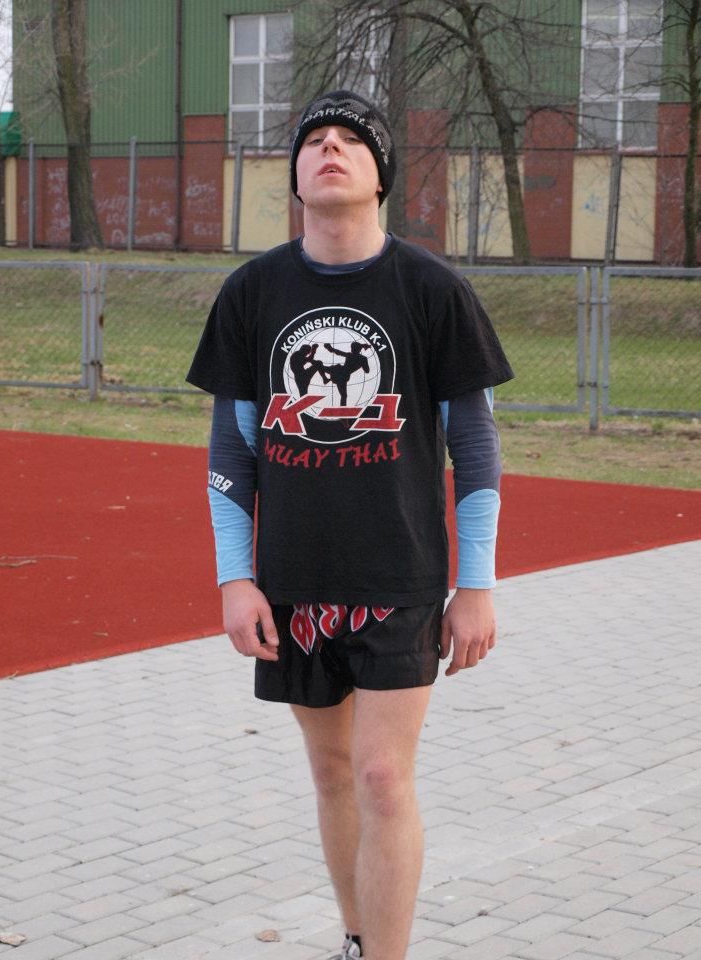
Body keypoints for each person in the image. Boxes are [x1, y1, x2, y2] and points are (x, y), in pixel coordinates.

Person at [186, 90, 514, 960]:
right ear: (296, 176)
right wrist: (235, 577)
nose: (330, 150)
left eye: (350, 141)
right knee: (332, 772)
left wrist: (476, 585)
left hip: (400, 580)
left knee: (380, 776)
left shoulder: (431, 290)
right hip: (293, 583)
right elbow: (232, 454)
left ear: (380, 175)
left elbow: (476, 453)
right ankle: (358, 940)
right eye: (315, 140)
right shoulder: (253, 293)